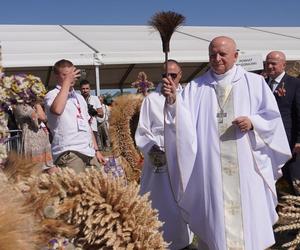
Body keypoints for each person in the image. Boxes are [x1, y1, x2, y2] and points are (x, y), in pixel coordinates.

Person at [162, 36, 291, 250]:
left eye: (223, 54)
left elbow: (272, 119)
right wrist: (174, 102)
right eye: (213, 54)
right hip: (212, 169)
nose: (217, 58)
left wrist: (253, 122)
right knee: (216, 225)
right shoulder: (196, 87)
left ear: (236, 55)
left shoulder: (255, 83)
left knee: (249, 221)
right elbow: (182, 125)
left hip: (247, 165)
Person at [135, 60, 193, 250]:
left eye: (173, 75)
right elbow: (143, 131)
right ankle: (157, 240)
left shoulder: (189, 96)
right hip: (158, 158)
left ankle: (184, 241)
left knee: (182, 201)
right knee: (159, 203)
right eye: (165, 75)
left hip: (183, 158)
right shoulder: (151, 100)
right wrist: (152, 149)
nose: (169, 79)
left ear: (181, 75)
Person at [44, 59, 105, 173]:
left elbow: (87, 125)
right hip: (69, 151)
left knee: (98, 189)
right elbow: (57, 110)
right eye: (65, 75)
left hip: (89, 151)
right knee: (74, 189)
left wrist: (96, 150)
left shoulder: (80, 97)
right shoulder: (51, 95)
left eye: (72, 74)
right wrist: (67, 82)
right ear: (57, 76)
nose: (70, 78)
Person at [265, 51, 300, 191]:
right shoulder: (261, 83)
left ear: (284, 65)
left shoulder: (295, 84)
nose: (270, 66)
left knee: (292, 178)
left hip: (288, 141)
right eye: (267, 63)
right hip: (267, 141)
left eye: (273, 63)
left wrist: (298, 140)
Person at [13, 102, 56, 172]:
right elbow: (43, 117)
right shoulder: (21, 107)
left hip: (43, 143)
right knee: (35, 171)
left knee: (48, 168)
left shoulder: (30, 106)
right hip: (33, 144)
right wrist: (37, 103)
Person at [79, 80, 103, 150]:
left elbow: (101, 114)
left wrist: (95, 112)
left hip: (92, 128)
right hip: (81, 128)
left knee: (93, 149)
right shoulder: (77, 99)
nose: (85, 90)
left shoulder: (95, 99)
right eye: (83, 88)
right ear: (80, 89)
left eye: (87, 88)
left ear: (90, 89)